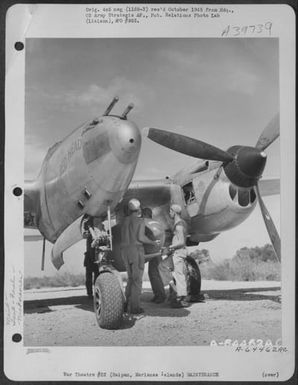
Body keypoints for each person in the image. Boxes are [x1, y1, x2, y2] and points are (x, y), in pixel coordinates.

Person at [121, 199, 160, 314]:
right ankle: (135, 308)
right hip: (136, 250)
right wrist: (153, 242)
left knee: (130, 278)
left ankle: (125, 304)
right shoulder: (140, 221)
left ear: (129, 209)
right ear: (139, 209)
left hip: (124, 251)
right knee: (137, 281)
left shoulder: (124, 221)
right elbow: (141, 238)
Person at [167, 204, 189, 308]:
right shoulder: (182, 223)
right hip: (179, 252)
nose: (169, 213)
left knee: (179, 275)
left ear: (174, 212)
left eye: (170, 211)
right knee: (178, 275)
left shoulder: (179, 225)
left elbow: (181, 242)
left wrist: (171, 246)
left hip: (178, 252)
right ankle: (177, 296)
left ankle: (182, 299)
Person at [142, 207, 166, 304]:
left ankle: (160, 296)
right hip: (157, 251)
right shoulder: (157, 222)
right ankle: (159, 295)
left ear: (144, 214)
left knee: (153, 274)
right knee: (155, 273)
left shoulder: (143, 222)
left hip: (149, 250)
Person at [83, 216, 100, 299]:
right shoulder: (92, 233)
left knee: (90, 277)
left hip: (90, 258)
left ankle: (90, 293)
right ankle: (92, 293)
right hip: (93, 257)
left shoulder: (91, 233)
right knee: (94, 277)